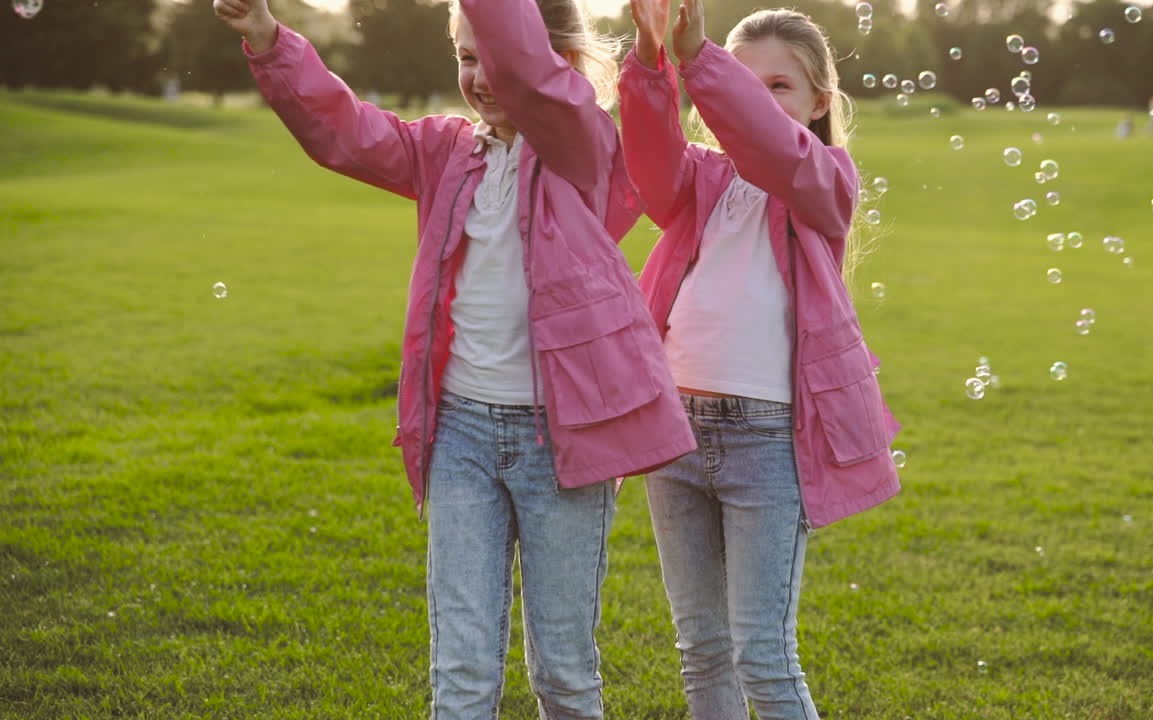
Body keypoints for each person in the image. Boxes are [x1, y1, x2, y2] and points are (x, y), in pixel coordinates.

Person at [210, 0, 696, 717]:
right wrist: (268, 40)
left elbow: (531, 73)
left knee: (563, 674)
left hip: (561, 442)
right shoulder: (442, 151)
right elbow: (345, 131)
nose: (480, 75)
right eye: (465, 58)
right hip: (462, 438)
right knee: (461, 675)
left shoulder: (579, 143)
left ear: (554, 59)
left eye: (492, 55)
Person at [618, 0, 901, 717]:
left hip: (766, 441)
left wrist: (705, 64)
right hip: (675, 431)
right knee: (701, 654)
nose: (752, 99)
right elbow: (649, 165)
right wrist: (654, 62)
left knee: (763, 658)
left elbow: (776, 150)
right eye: (741, 82)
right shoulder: (702, 181)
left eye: (776, 86)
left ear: (818, 105)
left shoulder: (825, 181)